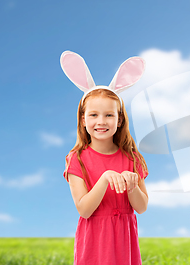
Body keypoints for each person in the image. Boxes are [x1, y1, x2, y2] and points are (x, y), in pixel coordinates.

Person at [61, 51, 149, 265]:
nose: (101, 121)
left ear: (119, 120)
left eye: (109, 115)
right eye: (93, 115)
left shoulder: (131, 157)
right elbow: (84, 208)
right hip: (95, 242)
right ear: (83, 119)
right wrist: (105, 178)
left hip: (124, 239)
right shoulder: (77, 159)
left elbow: (142, 206)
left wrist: (131, 187)